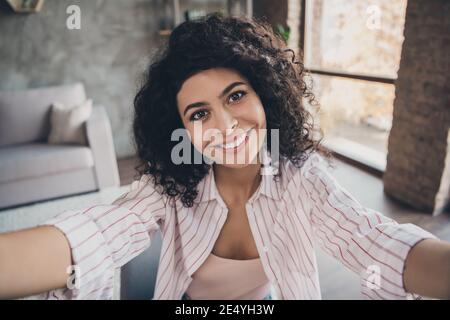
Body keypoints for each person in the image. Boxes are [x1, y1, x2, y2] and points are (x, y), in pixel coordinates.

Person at [0, 14, 449, 300]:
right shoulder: (170, 186)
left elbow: (376, 243)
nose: (225, 126)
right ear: (182, 130)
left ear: (266, 96)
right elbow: (94, 235)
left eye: (236, 96)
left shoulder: (301, 179)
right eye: (200, 114)